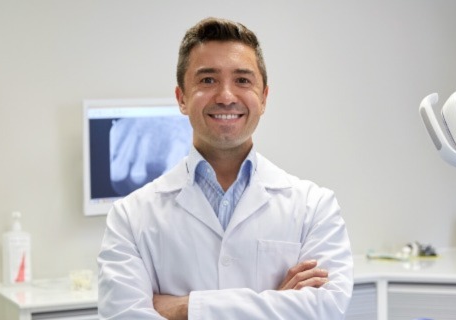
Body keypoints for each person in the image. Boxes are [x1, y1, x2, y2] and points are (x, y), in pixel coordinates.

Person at [98, 17, 353, 319]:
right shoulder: (131, 217)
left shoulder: (314, 207)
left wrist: (186, 308)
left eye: (243, 80)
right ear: (181, 98)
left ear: (264, 97)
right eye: (208, 80)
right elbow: (123, 315)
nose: (226, 96)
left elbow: (326, 309)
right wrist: (276, 302)